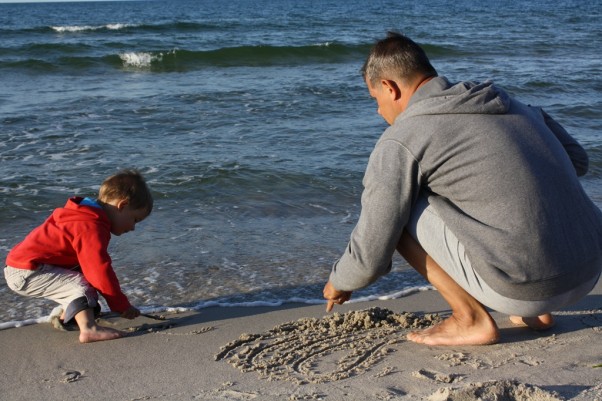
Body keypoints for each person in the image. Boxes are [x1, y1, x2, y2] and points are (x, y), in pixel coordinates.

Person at [323, 32, 602, 346]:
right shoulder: (510, 102)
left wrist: (340, 279)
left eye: (376, 100)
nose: (378, 111)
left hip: (523, 288)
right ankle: (537, 312)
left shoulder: (404, 138)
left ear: (390, 87)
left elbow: (373, 248)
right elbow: (578, 161)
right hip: (589, 269)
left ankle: (469, 318)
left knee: (400, 209)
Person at [4, 169, 153, 343]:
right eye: (135, 219)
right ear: (122, 205)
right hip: (27, 271)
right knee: (83, 286)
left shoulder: (84, 214)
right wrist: (121, 305)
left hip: (26, 267)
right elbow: (98, 270)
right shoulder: (91, 226)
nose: (133, 228)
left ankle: (67, 316)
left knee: (83, 283)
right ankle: (89, 330)